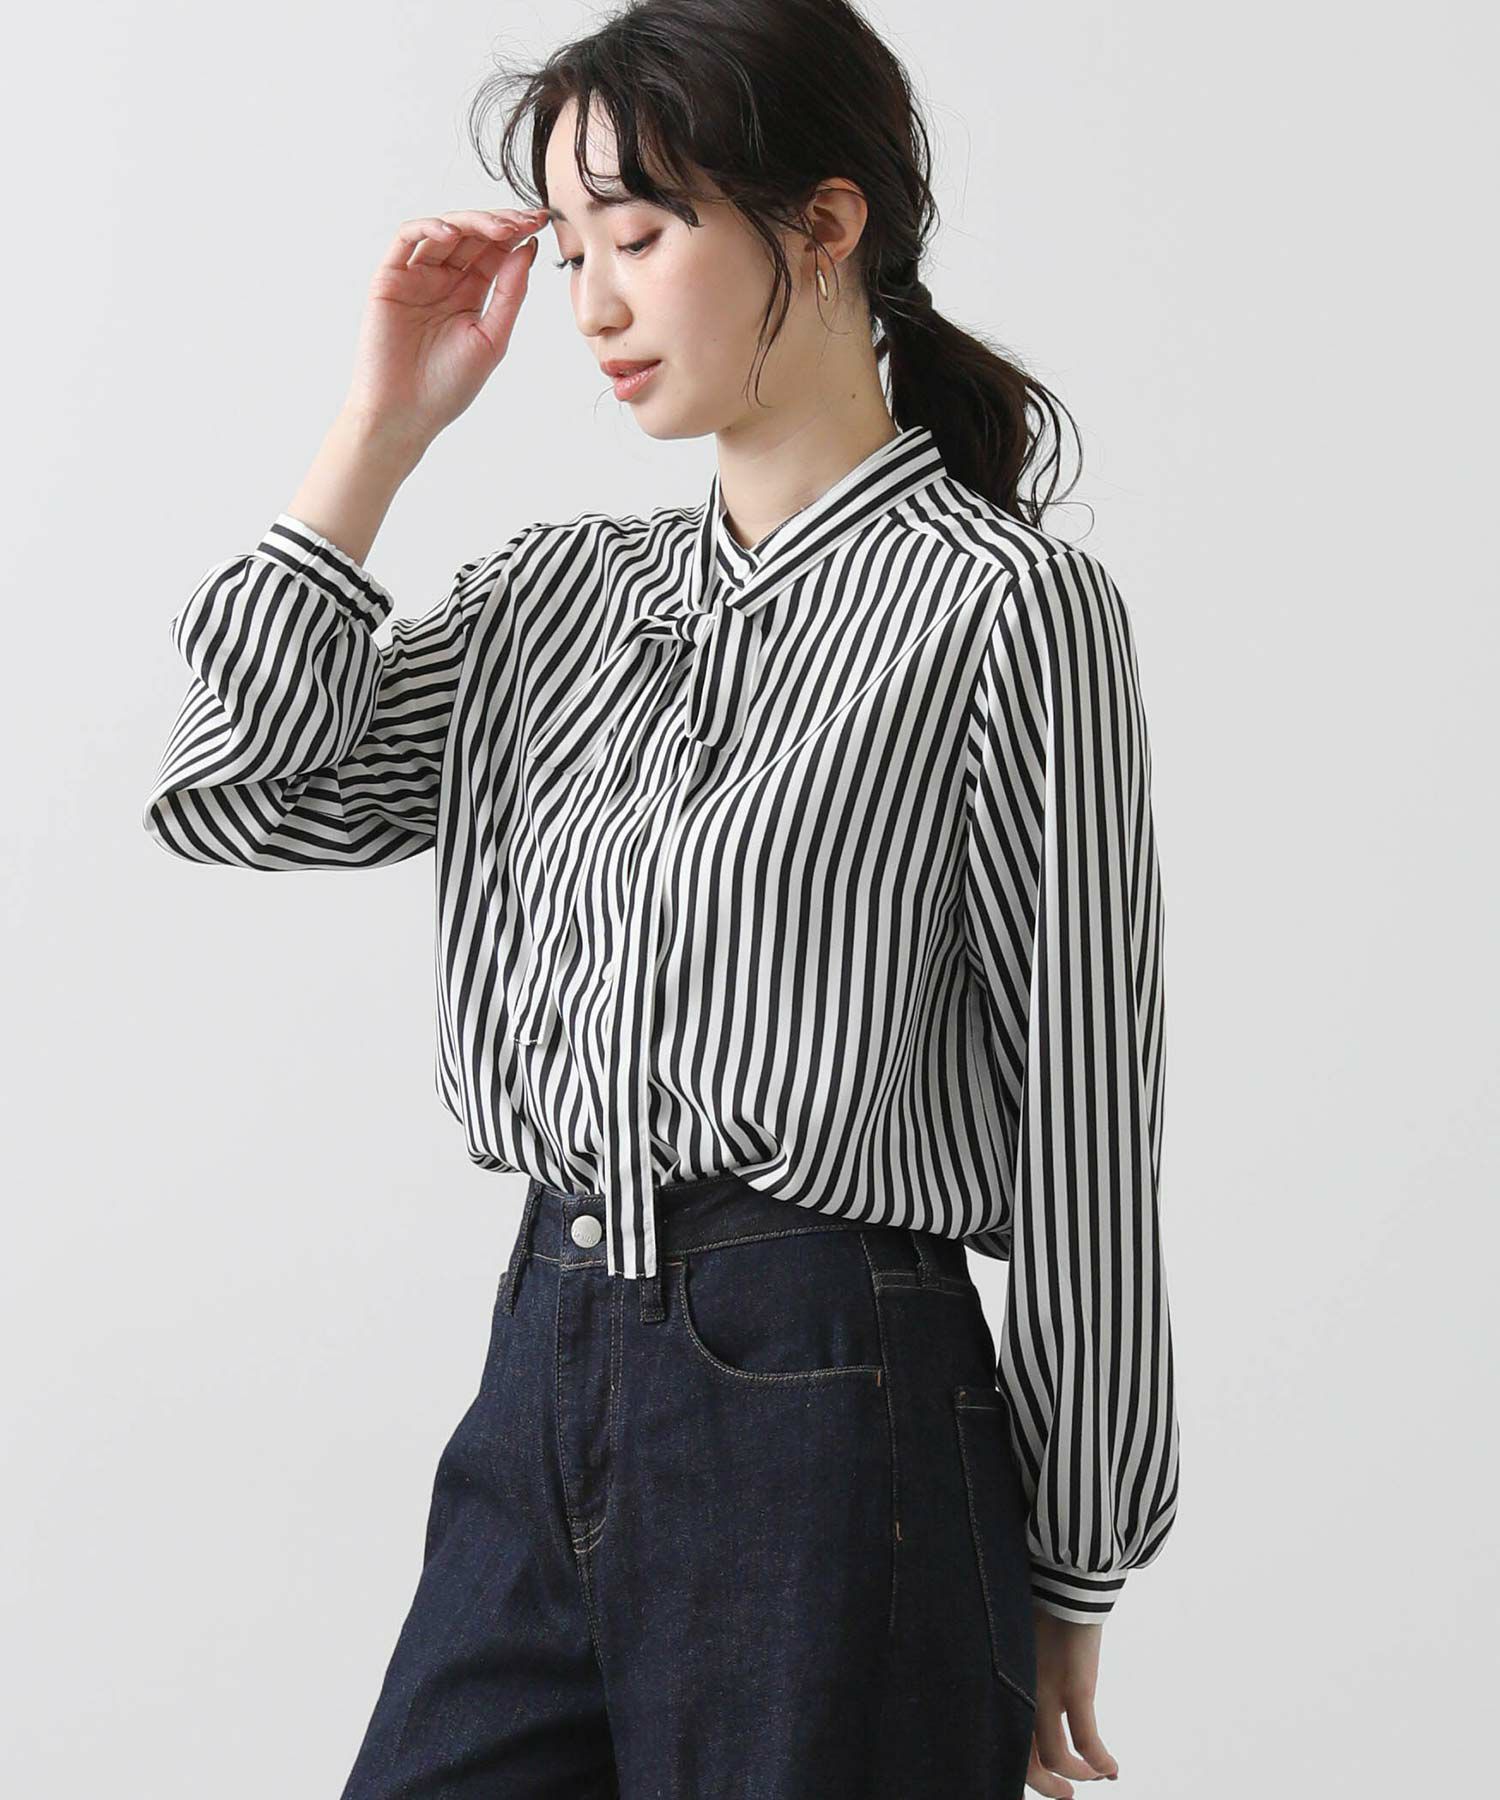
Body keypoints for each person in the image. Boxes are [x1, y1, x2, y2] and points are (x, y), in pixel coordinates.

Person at [141, 3, 1179, 1795]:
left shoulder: (1006, 609)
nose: (593, 305)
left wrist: (1072, 1555)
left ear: (826, 223)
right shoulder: (551, 602)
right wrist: (379, 429)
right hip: (542, 1357)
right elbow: (238, 789)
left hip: (833, 1395)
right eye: (568, 253)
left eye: (637, 234)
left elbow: (1086, 1106)